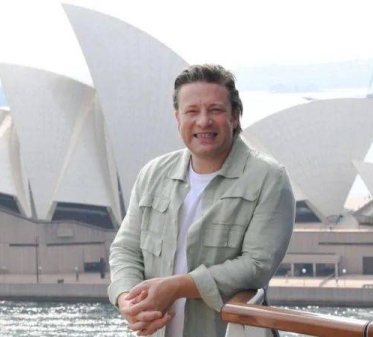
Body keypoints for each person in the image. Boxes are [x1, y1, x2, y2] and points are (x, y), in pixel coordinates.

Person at [108, 64, 295, 337]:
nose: (203, 121)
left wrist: (176, 286)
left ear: (235, 116)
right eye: (192, 111)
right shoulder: (153, 175)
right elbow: (125, 249)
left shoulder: (268, 179)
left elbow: (256, 266)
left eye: (215, 110)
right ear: (178, 118)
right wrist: (126, 298)